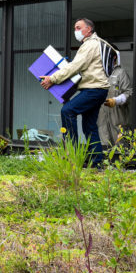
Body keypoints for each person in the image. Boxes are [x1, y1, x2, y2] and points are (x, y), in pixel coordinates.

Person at [40, 18, 109, 166]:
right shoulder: (97, 44)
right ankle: (96, 162)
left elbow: (75, 66)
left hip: (93, 89)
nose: (75, 31)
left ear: (88, 29)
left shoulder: (90, 44)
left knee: (67, 111)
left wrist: (53, 78)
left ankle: (73, 156)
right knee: (89, 126)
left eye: (78, 28)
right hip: (98, 89)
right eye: (75, 28)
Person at [98, 53, 132, 147]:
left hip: (117, 117)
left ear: (114, 57)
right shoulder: (99, 73)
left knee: (121, 147)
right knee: (104, 146)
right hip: (102, 118)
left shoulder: (121, 73)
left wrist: (116, 100)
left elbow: (129, 93)